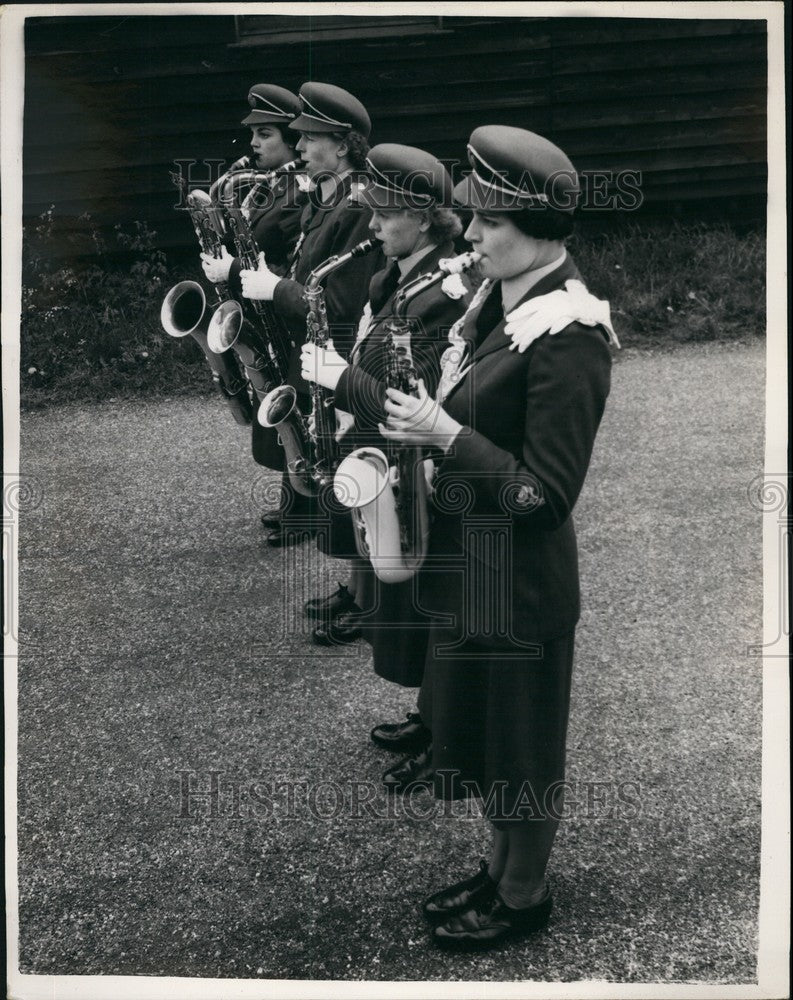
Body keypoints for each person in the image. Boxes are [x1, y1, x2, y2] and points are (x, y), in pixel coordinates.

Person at [379, 125, 619, 949]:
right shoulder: (501, 296)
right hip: (475, 566)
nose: (469, 235)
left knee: (522, 753)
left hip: (520, 584)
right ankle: (496, 866)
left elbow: (546, 496)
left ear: (538, 231)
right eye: (471, 219)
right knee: (485, 738)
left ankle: (523, 895)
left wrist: (445, 436)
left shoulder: (572, 334)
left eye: (487, 224)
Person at [299, 144, 471, 790]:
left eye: (383, 216)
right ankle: (429, 714)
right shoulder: (392, 274)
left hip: (419, 471)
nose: (370, 227)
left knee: (426, 611)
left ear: (424, 219)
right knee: (401, 608)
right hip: (381, 454)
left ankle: (444, 735)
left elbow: (413, 397)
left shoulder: (444, 294)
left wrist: (343, 384)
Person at [240, 81, 384, 547]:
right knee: (323, 468)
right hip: (313, 349)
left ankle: (358, 590)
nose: (297, 144)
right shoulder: (332, 197)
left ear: (343, 146)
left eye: (309, 137)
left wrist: (276, 288)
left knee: (344, 477)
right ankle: (347, 580)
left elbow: (341, 305)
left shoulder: (357, 205)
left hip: (337, 356)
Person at [200, 83, 307, 480]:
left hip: (283, 314)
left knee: (289, 403)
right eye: (252, 133)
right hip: (263, 312)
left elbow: (295, 267)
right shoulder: (269, 185)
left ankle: (301, 498)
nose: (254, 143)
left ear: (293, 140)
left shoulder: (301, 192)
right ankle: (294, 493)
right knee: (274, 397)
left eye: (265, 134)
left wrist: (230, 270)